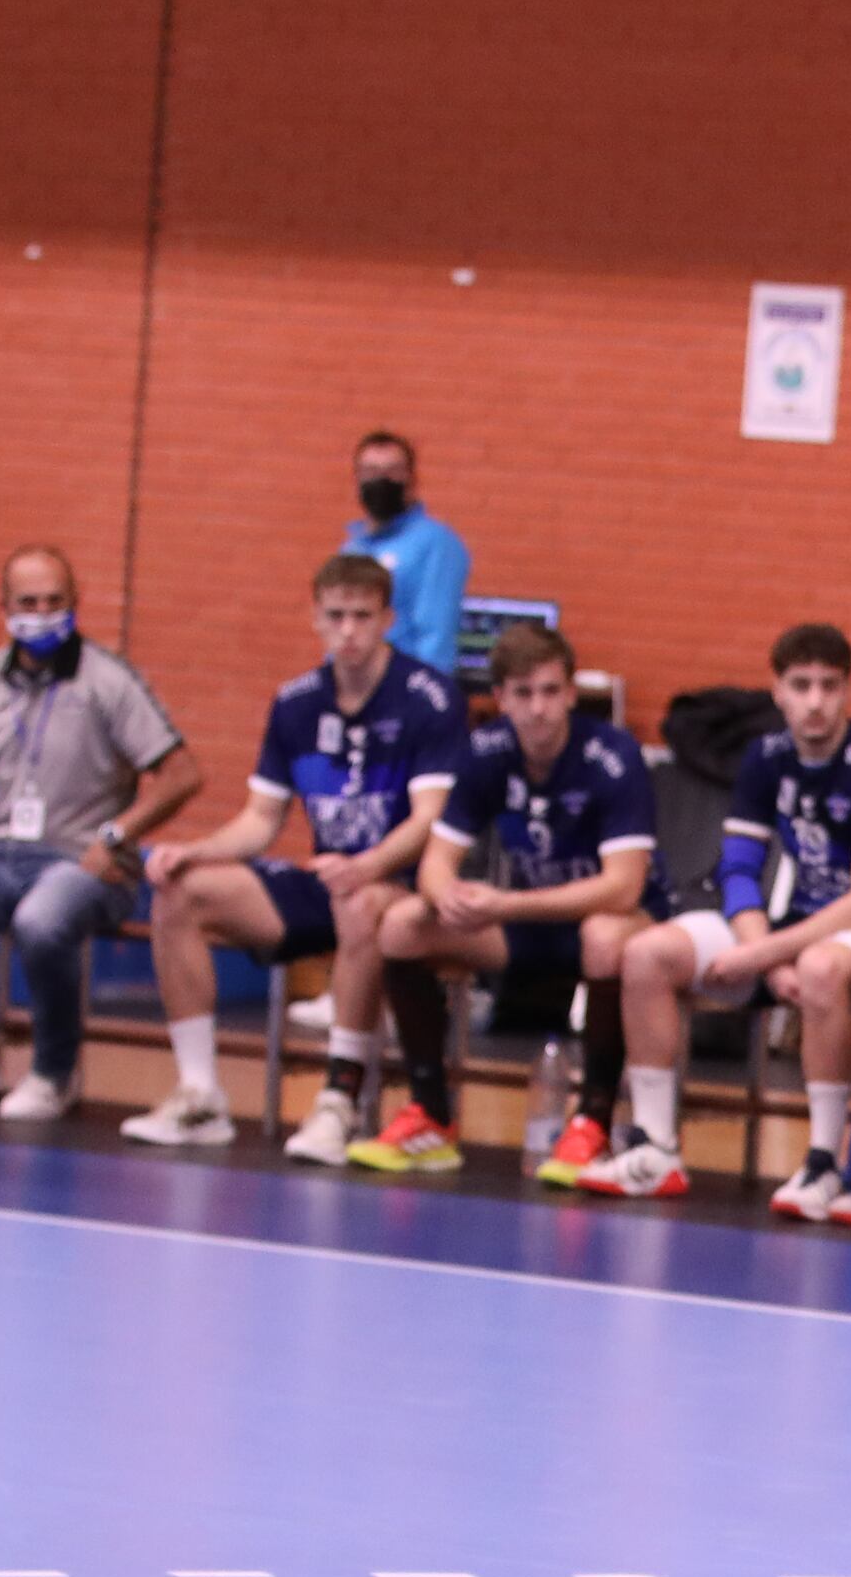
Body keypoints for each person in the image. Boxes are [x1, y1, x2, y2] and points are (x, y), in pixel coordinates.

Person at [126, 554, 467, 1151]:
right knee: (181, 889)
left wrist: (367, 865)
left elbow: (429, 820)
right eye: (335, 616)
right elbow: (260, 821)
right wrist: (193, 851)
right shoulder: (296, 704)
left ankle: (338, 1101)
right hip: (327, 876)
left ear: (387, 618)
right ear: (315, 617)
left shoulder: (428, 698)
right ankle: (200, 1095)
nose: (349, 631)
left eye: (363, 616)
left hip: (401, 885)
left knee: (359, 901)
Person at [0, 546, 198, 1125]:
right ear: (4, 608)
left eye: (54, 601)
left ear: (74, 604)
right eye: (28, 603)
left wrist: (118, 833)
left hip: (84, 864)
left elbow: (182, 775)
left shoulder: (108, 680)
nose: (41, 613)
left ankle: (54, 1071)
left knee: (42, 921)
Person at [347, 621, 654, 1174]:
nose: (539, 709)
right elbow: (436, 864)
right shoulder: (485, 750)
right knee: (402, 923)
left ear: (570, 693)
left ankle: (593, 1123)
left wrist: (505, 905)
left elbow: (622, 886)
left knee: (605, 934)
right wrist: (449, 896)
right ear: (501, 698)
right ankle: (430, 1116)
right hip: (526, 922)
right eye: (523, 694)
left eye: (551, 692)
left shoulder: (613, 754)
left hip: (615, 925)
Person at [708, 622, 851, 1220]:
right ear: (776, 690)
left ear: (847, 690)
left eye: (829, 686)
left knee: (820, 968)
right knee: (649, 952)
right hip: (794, 930)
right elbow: (736, 869)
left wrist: (759, 958)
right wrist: (767, 953)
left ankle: (823, 1157)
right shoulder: (765, 758)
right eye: (800, 685)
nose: (814, 701)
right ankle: (649, 1139)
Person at [334, 429, 471, 677]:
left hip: (405, 691)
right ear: (357, 479)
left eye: (392, 471)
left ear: (412, 479)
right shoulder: (352, 548)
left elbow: (435, 636)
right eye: (371, 472)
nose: (381, 481)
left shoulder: (436, 544)